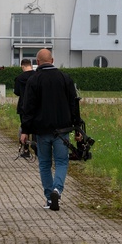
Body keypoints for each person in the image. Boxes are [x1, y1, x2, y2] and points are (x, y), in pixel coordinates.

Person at [20, 48, 81, 211]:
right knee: (62, 161)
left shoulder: (34, 80)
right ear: (52, 60)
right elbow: (74, 104)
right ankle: (57, 190)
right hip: (62, 130)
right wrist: (78, 128)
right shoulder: (65, 78)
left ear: (37, 62)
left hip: (41, 131)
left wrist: (25, 130)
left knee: (45, 164)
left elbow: (28, 108)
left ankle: (49, 198)